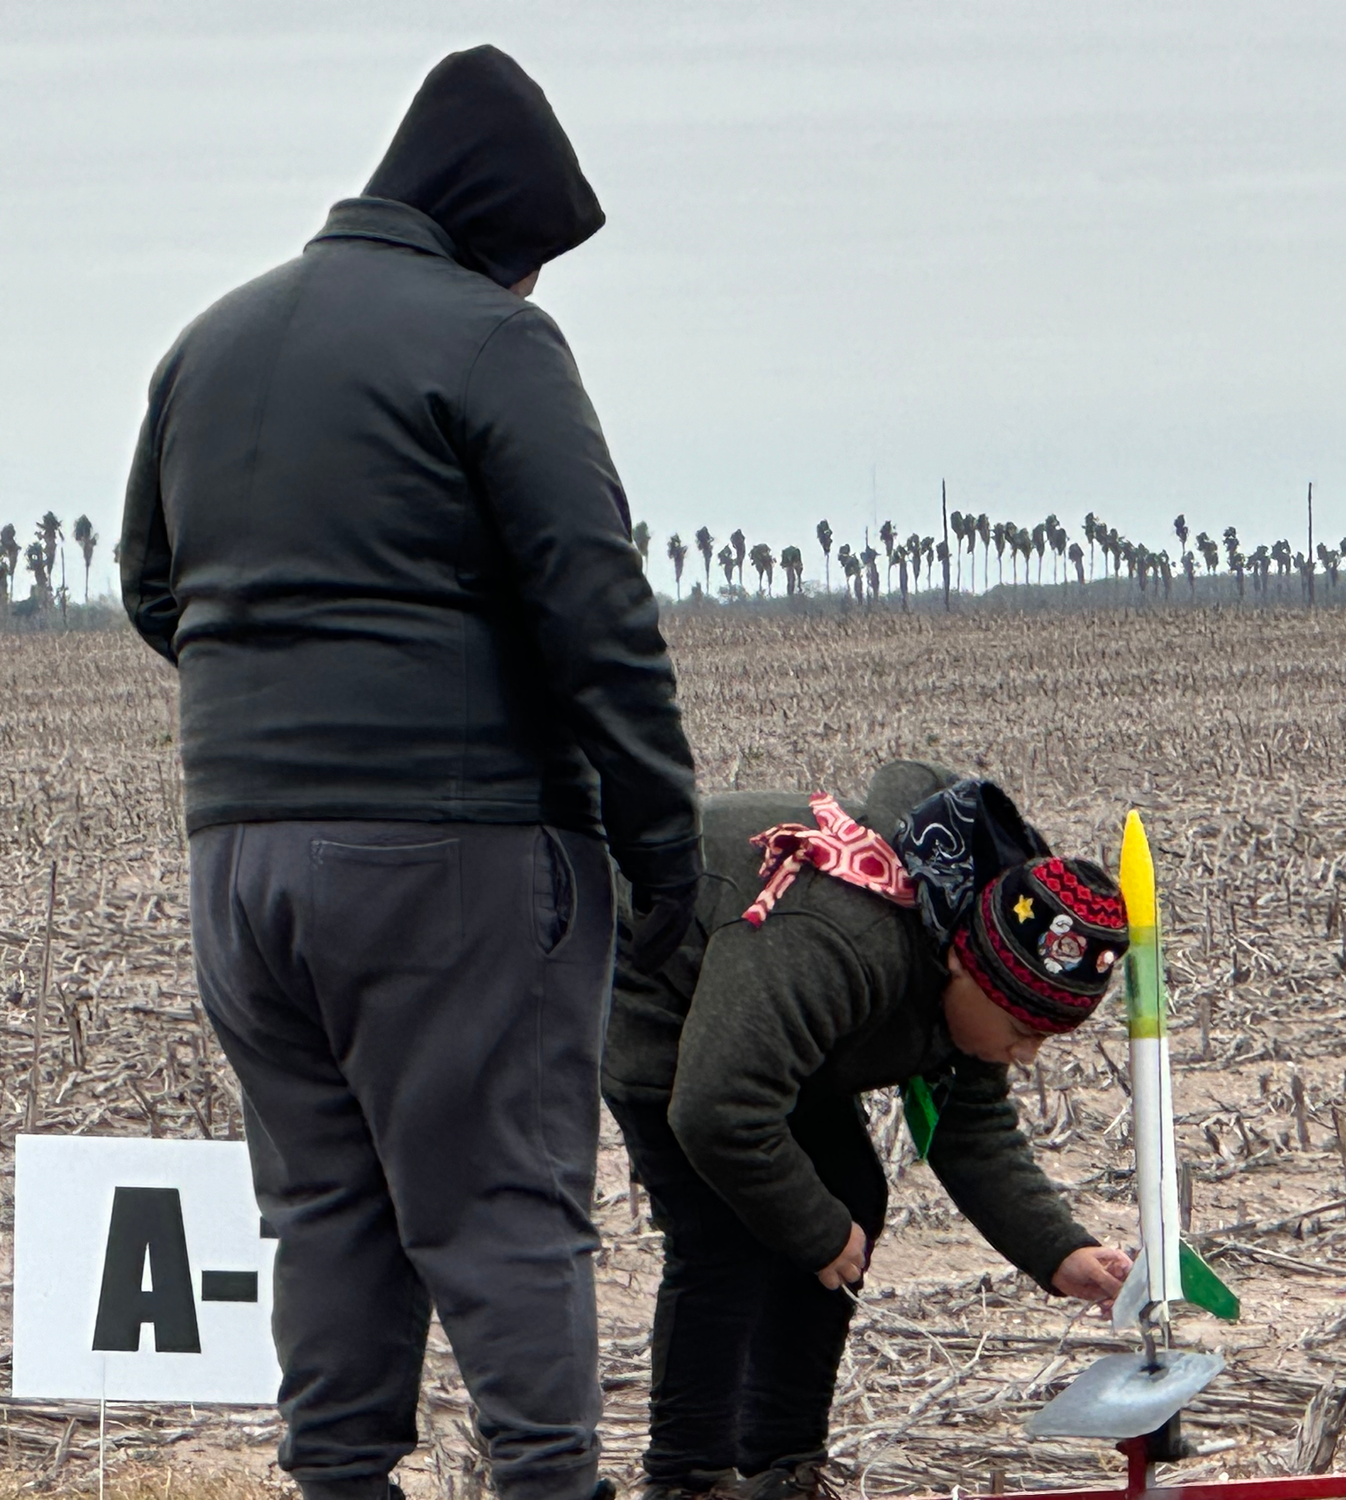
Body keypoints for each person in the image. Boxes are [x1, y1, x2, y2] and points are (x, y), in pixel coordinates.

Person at [119, 46, 700, 1500]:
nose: (531, 289)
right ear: (489, 225)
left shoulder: (207, 344)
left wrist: (287, 709)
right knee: (505, 1209)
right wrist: (665, 851)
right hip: (447, 859)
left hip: (241, 869)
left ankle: (339, 1484)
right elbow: (595, 608)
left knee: (327, 1209)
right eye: (526, 259)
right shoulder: (490, 345)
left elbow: (150, 587)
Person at [603, 761, 1136, 1500]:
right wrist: (815, 1229)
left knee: (850, 1190)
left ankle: (783, 1469)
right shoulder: (845, 940)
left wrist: (1059, 1250)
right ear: (960, 963)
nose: (1025, 1053)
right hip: (652, 968)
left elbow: (969, 1126)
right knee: (722, 1233)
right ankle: (687, 1479)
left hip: (762, 1018)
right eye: (1020, 1031)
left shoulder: (977, 954)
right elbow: (716, 1108)